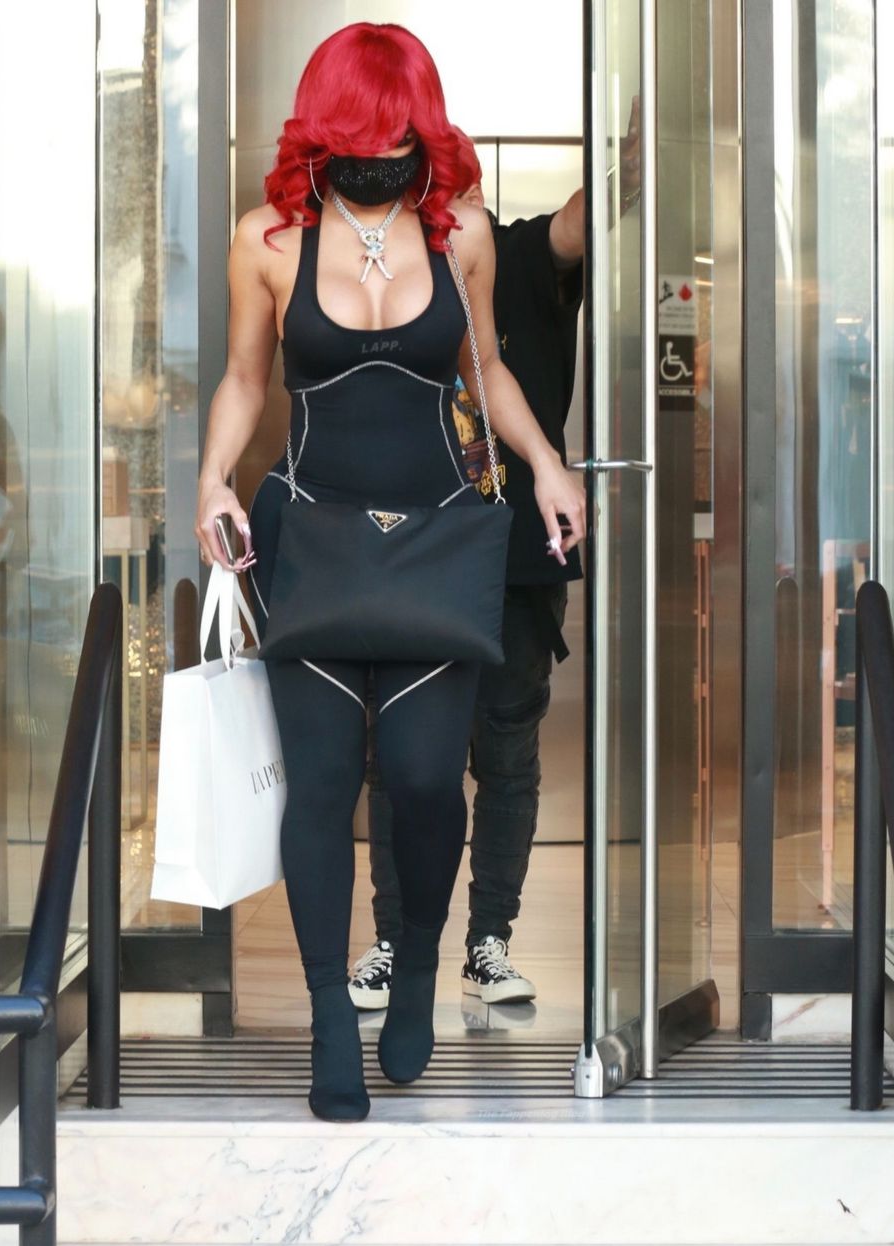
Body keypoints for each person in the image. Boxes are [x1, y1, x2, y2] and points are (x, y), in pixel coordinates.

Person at [194, 23, 585, 1123]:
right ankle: (330, 1012)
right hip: (311, 539)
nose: (379, 159)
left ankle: (417, 963)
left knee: (421, 780)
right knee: (322, 788)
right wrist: (212, 477)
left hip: (436, 541)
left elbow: (487, 367)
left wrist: (547, 465)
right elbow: (244, 378)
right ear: (323, 133)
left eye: (397, 140)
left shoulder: (462, 235)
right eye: (360, 142)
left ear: (423, 131)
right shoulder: (268, 239)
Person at [351, 105, 641, 1012]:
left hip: (515, 556)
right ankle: (395, 941)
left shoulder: (516, 254)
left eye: (458, 184)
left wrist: (633, 160)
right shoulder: (386, 273)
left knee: (507, 750)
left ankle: (488, 943)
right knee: (401, 760)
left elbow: (579, 223)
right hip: (410, 557)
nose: (447, 203)